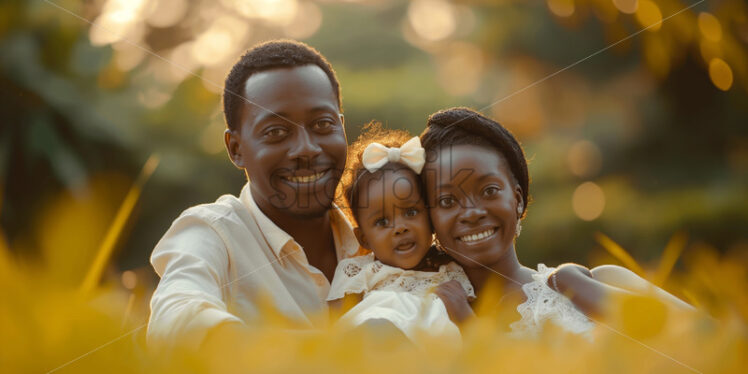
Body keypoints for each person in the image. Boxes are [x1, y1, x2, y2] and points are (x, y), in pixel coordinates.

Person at [147, 40, 364, 347]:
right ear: (236, 149)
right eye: (276, 131)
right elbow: (178, 321)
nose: (306, 148)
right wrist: (342, 351)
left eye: (322, 124)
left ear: (341, 128)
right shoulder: (213, 233)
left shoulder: (380, 237)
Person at [419, 107, 694, 337]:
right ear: (430, 221)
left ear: (518, 200)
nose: (472, 212)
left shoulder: (596, 280)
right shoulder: (425, 313)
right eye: (446, 201)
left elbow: (710, 338)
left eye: (489, 191)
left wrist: (572, 283)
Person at [327, 123, 475, 344]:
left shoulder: (451, 272)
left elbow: (476, 338)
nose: (400, 228)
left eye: (411, 211)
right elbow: (337, 328)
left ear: (431, 219)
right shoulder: (358, 272)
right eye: (382, 221)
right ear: (364, 239)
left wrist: (462, 310)